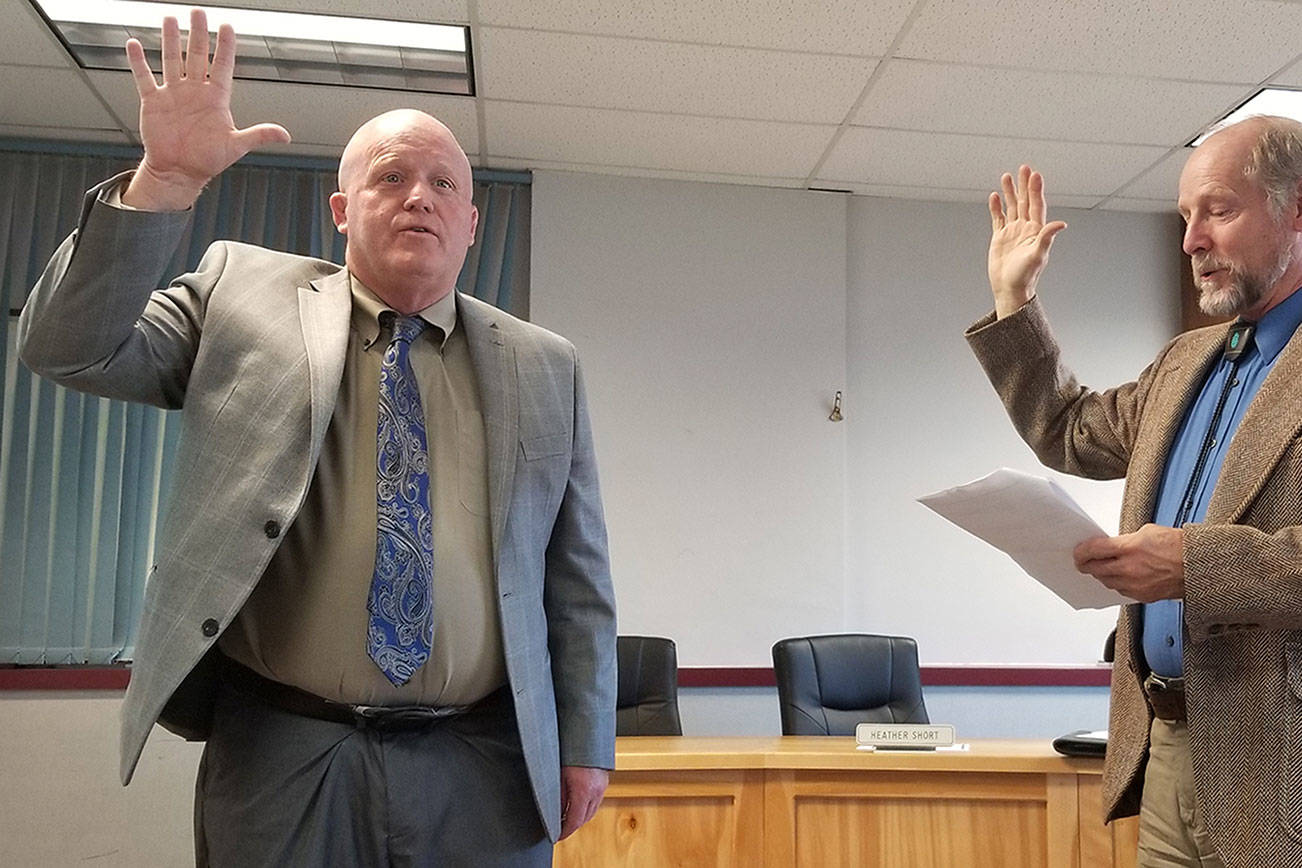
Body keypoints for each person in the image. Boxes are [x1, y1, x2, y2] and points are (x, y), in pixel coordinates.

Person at [17, 10, 616, 866]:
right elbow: (67, 348)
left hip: (483, 758)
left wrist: (586, 737)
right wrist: (165, 181)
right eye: (391, 176)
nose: (420, 197)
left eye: (445, 184)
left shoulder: (545, 364)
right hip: (286, 752)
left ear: (472, 223)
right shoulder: (238, 293)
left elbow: (577, 573)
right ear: (341, 208)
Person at [967, 114, 1302, 867]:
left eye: (1219, 210)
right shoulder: (1186, 361)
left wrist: (1194, 564)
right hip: (1168, 743)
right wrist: (1015, 302)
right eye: (1186, 217)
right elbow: (1069, 428)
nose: (1192, 241)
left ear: (1297, 210)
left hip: (1282, 759)